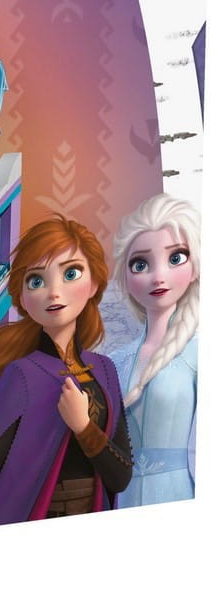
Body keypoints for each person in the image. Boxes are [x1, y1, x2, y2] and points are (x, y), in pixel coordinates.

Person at [0, 215, 132, 531]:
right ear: (21, 297)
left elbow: (121, 477)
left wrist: (83, 427)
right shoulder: (22, 375)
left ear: (95, 284)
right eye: (36, 281)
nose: (54, 292)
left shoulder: (105, 370)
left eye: (70, 274)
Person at [110, 194, 199, 506]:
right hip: (122, 498)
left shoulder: (197, 354)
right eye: (140, 264)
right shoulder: (116, 361)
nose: (158, 276)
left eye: (176, 258)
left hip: (179, 495)